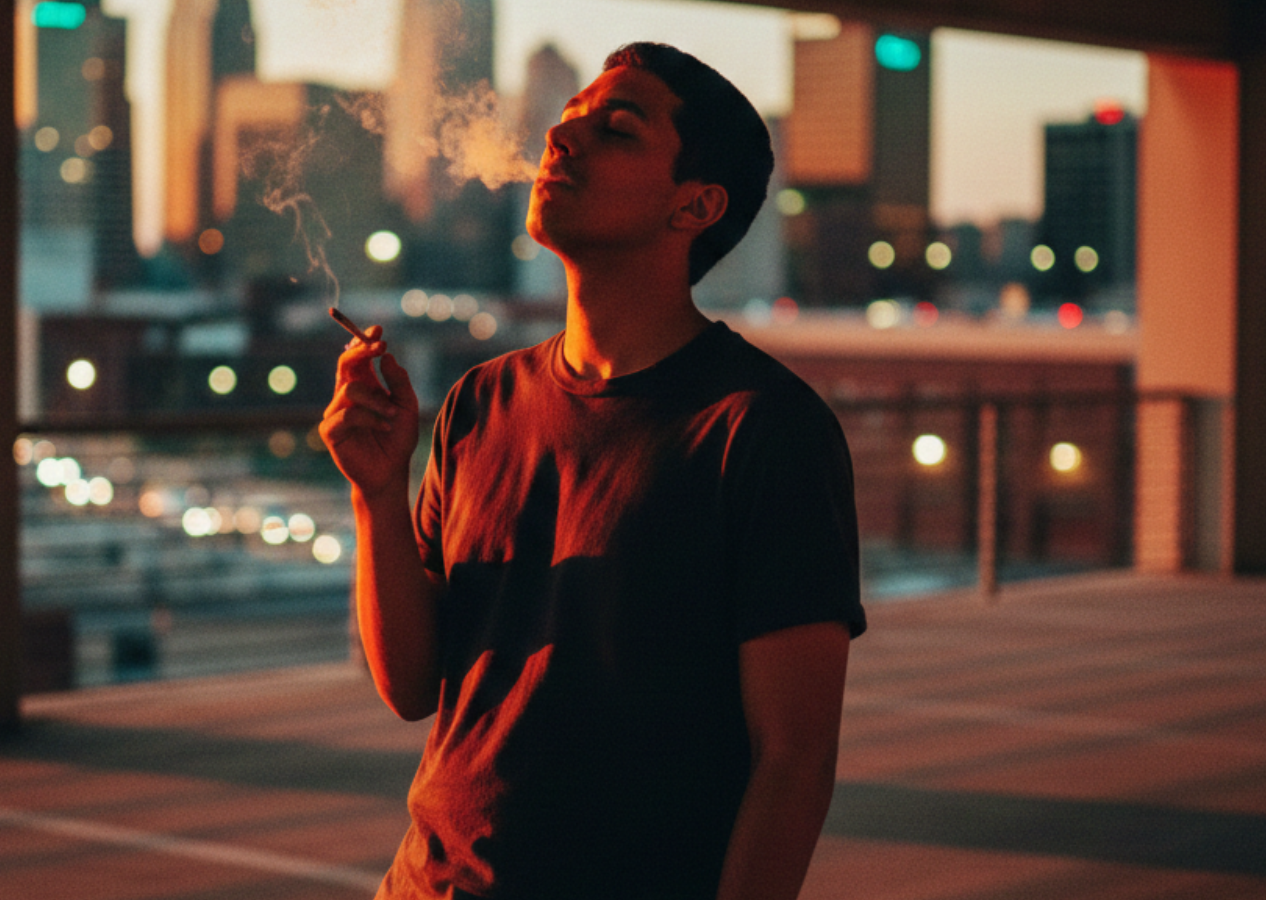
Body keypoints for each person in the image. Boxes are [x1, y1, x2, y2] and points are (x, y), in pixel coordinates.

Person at [321, 42, 865, 900]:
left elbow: (795, 762)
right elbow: (412, 685)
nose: (560, 140)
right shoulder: (478, 402)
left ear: (695, 205)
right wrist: (377, 493)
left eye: (615, 129)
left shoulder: (762, 430)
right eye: (566, 120)